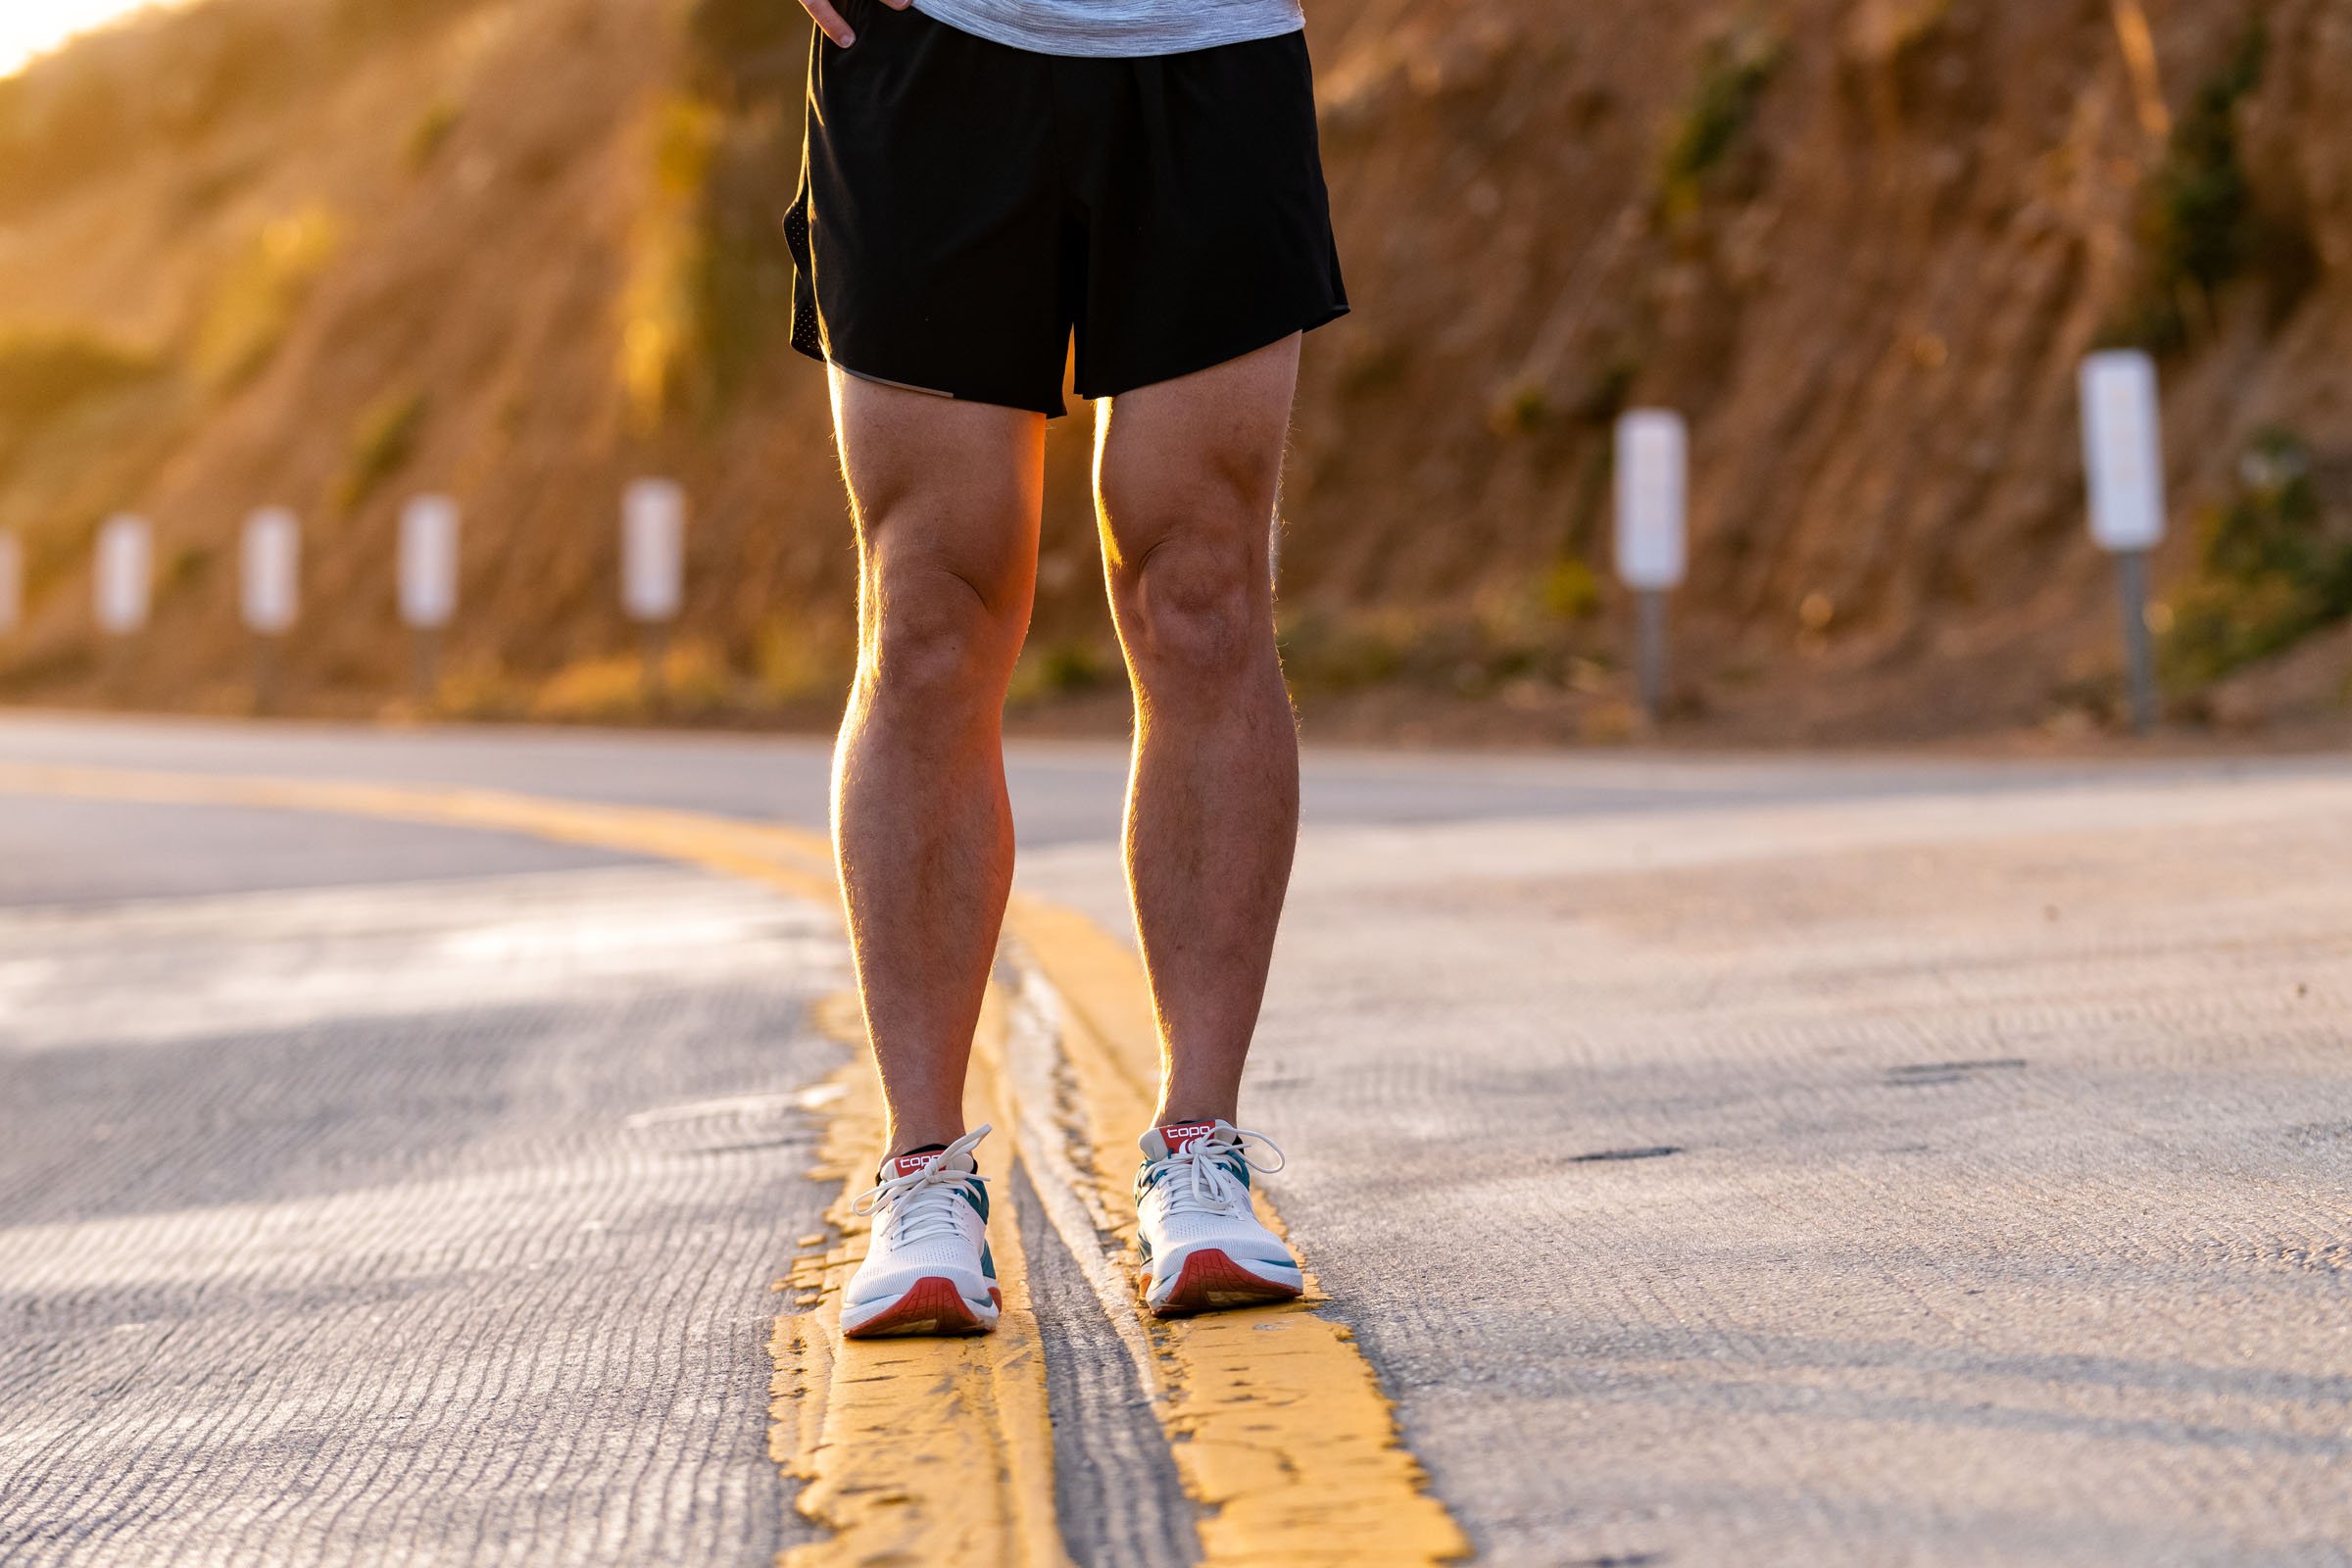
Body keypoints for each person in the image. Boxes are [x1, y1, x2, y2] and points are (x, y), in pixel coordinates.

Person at [781, 0, 1347, 1336]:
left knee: (1202, 591)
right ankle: (923, 1175)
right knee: (929, 615)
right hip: (932, 48)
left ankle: (1201, 1155)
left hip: (1207, 46)